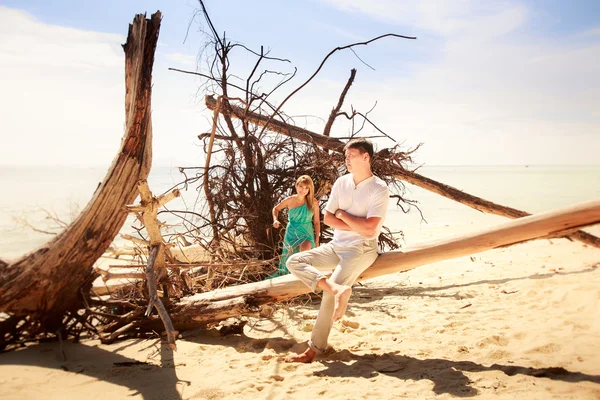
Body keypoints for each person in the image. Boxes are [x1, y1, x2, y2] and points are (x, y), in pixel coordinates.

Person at [285, 138, 389, 363]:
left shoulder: (379, 188)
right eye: (346, 156)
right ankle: (335, 288)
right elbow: (327, 218)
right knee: (294, 261)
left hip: (360, 249)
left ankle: (314, 349)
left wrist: (343, 215)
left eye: (351, 156)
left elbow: (370, 229)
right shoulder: (341, 182)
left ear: (365, 157)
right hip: (336, 246)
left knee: (327, 297)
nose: (347, 160)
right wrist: (354, 223)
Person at [269, 175, 321, 278]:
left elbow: (316, 222)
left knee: (304, 253)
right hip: (292, 232)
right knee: (290, 259)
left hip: (307, 232)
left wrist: (317, 239)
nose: (303, 190)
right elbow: (276, 209)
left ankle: (305, 278)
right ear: (296, 186)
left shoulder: (313, 202)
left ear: (310, 189)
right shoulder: (290, 200)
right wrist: (275, 220)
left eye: (307, 188)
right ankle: (293, 280)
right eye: (301, 186)